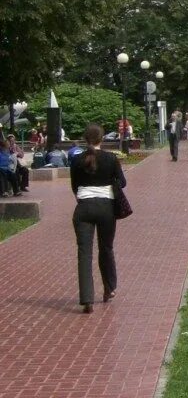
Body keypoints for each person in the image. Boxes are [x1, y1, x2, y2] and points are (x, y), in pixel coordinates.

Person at [70, 123, 125, 313]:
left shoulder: (77, 160)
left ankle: (87, 300)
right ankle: (109, 289)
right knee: (106, 248)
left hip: (83, 208)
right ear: (102, 139)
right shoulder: (111, 158)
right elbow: (122, 182)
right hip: (106, 208)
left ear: (86, 139)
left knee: (84, 253)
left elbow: (74, 186)